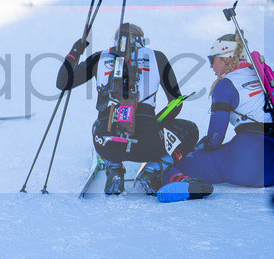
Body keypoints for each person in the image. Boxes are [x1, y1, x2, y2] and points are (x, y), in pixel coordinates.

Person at [56, 23, 198, 195]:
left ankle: (114, 167)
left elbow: (62, 82)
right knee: (191, 130)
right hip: (148, 144)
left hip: (105, 142)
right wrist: (156, 124)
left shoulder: (100, 57)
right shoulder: (157, 57)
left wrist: (75, 51)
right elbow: (176, 103)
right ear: (142, 40)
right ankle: (153, 170)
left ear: (116, 41)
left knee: (98, 125)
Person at [139, 32, 274, 201]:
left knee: (178, 164)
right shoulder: (264, 76)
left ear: (226, 58)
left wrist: (198, 148)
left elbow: (215, 139)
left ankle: (174, 179)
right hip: (270, 168)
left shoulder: (226, 85)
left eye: (213, 59)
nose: (211, 66)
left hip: (248, 164)